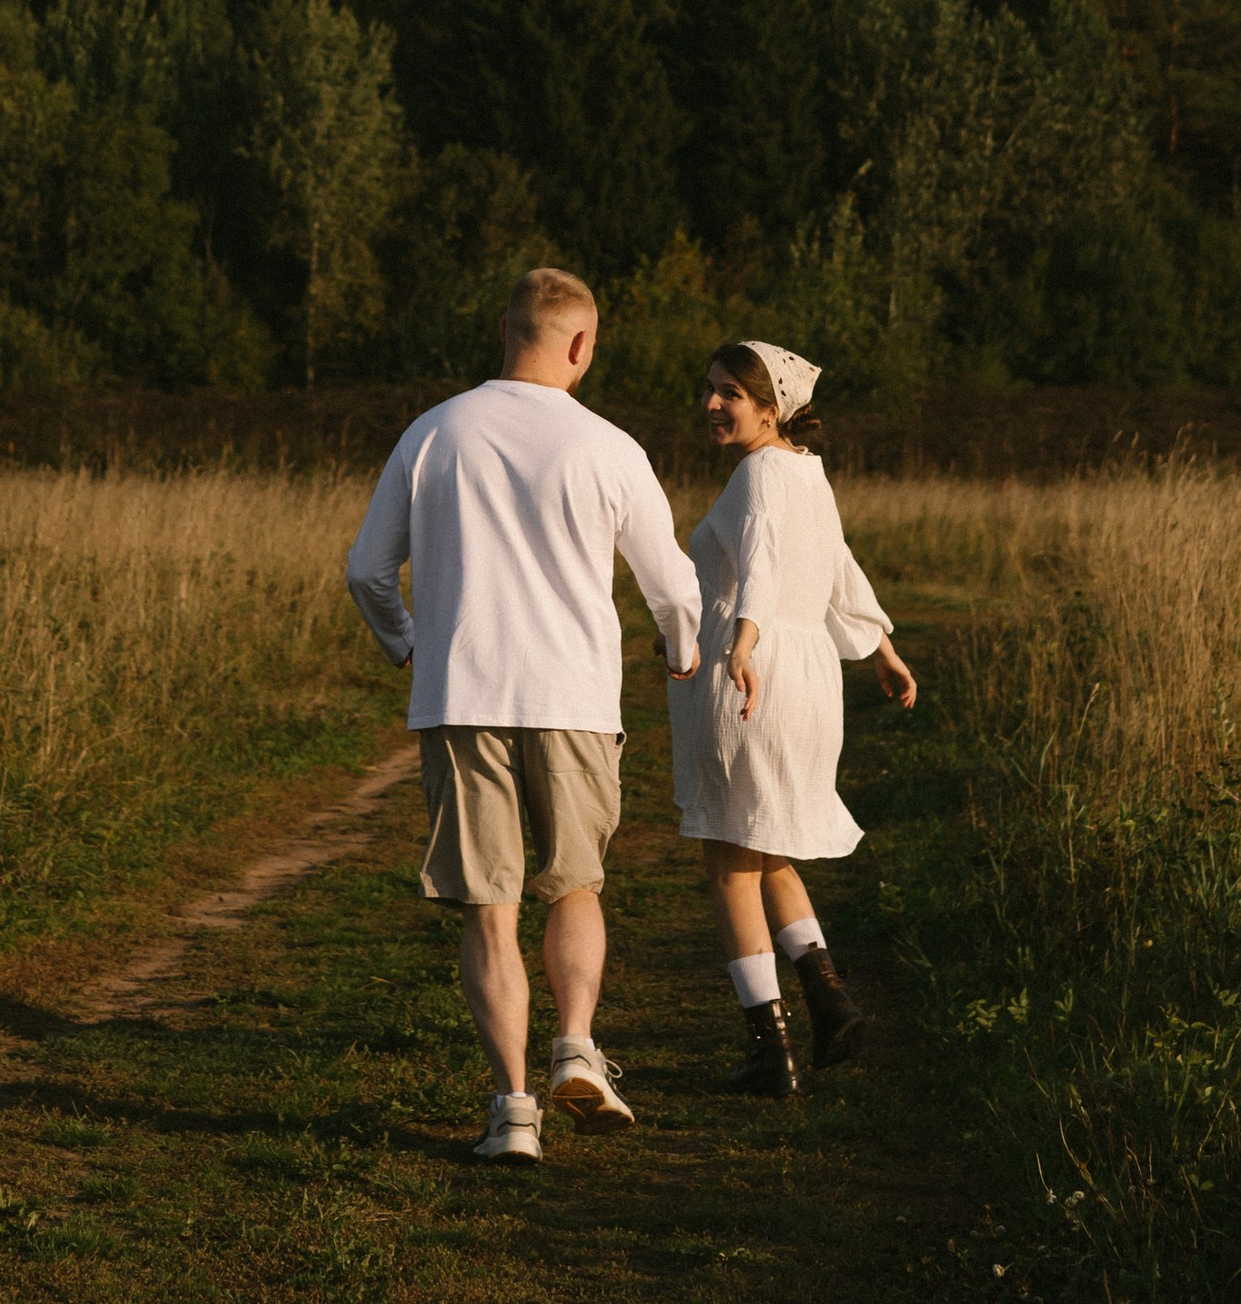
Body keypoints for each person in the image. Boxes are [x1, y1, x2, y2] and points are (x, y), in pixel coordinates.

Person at [346, 265, 703, 1164]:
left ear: (504, 331)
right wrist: (682, 646)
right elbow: (670, 581)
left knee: (489, 909)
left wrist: (407, 642)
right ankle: (576, 1044)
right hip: (573, 698)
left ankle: (511, 1109)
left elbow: (365, 571)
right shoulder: (609, 447)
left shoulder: (433, 433)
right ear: (580, 345)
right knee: (574, 885)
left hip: (461, 695)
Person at [667, 338, 918, 1098]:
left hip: (754, 672)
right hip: (806, 678)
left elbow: (766, 558)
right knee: (768, 843)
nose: (712, 404)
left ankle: (767, 1050)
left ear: (772, 410)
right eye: (709, 389)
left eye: (730, 395)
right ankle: (829, 998)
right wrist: (880, 644)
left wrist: (740, 641)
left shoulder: (761, 473)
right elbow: (838, 563)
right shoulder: (808, 475)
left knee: (729, 860)